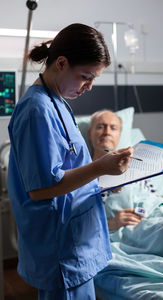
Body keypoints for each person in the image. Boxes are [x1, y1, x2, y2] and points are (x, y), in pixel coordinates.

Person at [7, 24, 133, 300]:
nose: (89, 87)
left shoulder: (57, 102)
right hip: (61, 247)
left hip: (75, 240)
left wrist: (106, 180)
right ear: (61, 63)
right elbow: (41, 189)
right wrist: (101, 166)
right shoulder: (36, 110)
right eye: (86, 77)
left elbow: (69, 168)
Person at [88, 109, 163, 231]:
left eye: (113, 128)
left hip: (156, 219)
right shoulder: (84, 173)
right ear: (90, 133)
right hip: (129, 230)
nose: (107, 132)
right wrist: (110, 224)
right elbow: (77, 219)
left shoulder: (137, 169)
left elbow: (152, 200)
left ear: (120, 135)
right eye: (101, 127)